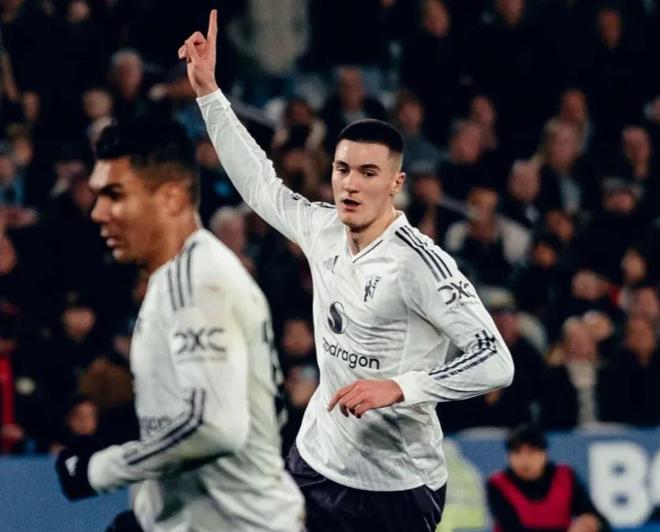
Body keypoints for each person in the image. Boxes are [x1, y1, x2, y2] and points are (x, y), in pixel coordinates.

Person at [180, 11, 514, 532]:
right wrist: (209, 94)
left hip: (397, 487)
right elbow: (260, 185)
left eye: (368, 172)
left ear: (396, 183)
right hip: (316, 463)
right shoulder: (322, 228)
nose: (351, 184)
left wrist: (400, 387)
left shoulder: (419, 264)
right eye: (342, 169)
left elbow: (496, 362)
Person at [53, 116, 304, 531]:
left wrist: (99, 469)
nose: (99, 212)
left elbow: (214, 428)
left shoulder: (198, 280)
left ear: (170, 198)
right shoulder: (174, 278)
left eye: (115, 194)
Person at [487, 424, 610, 531]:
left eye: (531, 452)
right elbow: (512, 528)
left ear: (544, 454)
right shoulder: (498, 484)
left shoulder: (565, 476)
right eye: (517, 452)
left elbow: (597, 518)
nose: (524, 460)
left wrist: (592, 523)